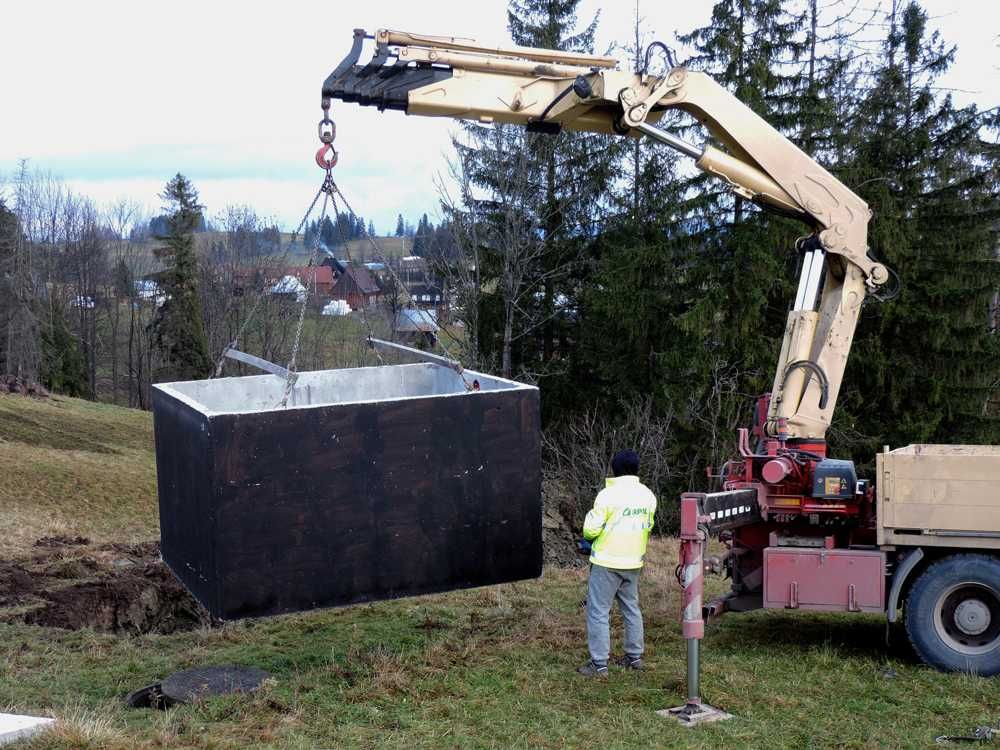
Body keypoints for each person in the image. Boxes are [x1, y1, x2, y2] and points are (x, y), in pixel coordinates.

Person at [577, 449, 657, 677]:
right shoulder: (648, 495)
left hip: (606, 562)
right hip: (633, 561)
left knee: (598, 612)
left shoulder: (607, 495)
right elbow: (648, 525)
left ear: (615, 470)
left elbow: (590, 530)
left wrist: (591, 539)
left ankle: (599, 664)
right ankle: (634, 657)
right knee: (632, 609)